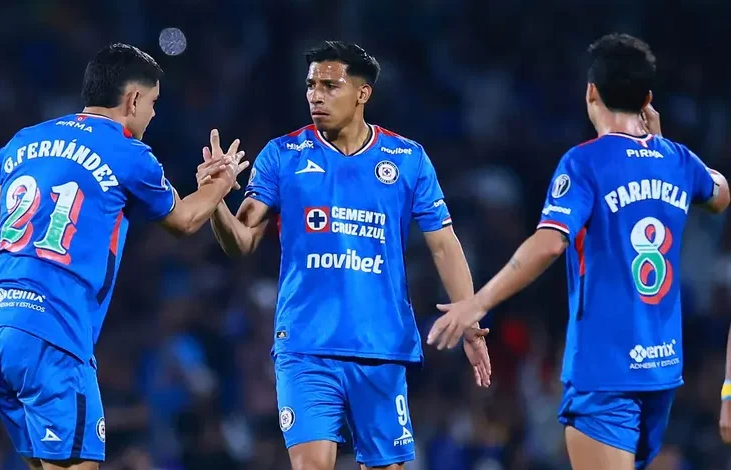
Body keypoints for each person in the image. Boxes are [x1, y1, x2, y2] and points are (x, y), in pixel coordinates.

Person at [427, 33, 730, 470]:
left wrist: (478, 302)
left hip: (605, 372)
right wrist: (665, 147)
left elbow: (551, 242)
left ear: (591, 92)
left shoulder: (584, 162)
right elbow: (720, 193)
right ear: (647, 99)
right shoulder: (679, 160)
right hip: (662, 370)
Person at [200, 40, 491, 470]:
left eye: (330, 86)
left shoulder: (407, 158)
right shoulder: (282, 155)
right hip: (306, 345)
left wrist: (470, 319)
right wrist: (215, 199)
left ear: (362, 93)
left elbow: (444, 244)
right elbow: (240, 242)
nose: (315, 95)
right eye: (311, 85)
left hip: (380, 346)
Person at [0, 43, 247, 470]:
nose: (153, 114)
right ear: (132, 99)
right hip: (53, 339)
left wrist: (28, 277)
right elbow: (185, 220)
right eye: (152, 103)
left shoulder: (25, 139)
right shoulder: (127, 152)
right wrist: (220, 183)